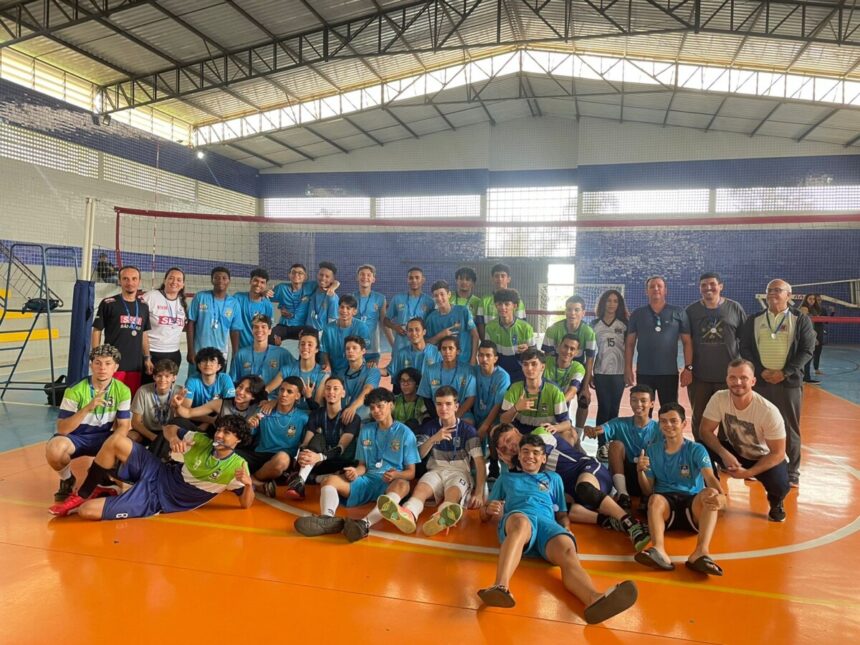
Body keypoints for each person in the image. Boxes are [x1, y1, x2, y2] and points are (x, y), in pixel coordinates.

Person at [477, 433, 638, 624]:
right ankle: (500, 587)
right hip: (520, 517)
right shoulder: (506, 479)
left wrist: (567, 529)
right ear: (519, 456)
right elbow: (483, 514)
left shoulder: (554, 479)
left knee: (568, 549)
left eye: (536, 453)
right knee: (521, 525)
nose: (530, 456)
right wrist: (488, 509)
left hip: (547, 524)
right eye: (525, 452)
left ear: (544, 458)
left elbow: (561, 513)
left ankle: (593, 598)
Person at [49, 414, 255, 519]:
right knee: (116, 440)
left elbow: (246, 504)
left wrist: (247, 486)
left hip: (160, 498)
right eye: (219, 430)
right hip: (160, 471)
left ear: (238, 440)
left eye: (227, 433)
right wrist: (173, 438)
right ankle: (85, 491)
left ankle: (110, 492)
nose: (219, 435)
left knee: (86, 512)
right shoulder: (202, 440)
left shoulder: (236, 467)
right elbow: (169, 427)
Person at [493, 424, 649, 552]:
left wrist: (513, 463)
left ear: (516, 431)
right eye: (504, 447)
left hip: (589, 471)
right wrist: (511, 465)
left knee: (584, 488)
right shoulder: (520, 462)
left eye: (508, 439)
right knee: (558, 509)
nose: (509, 447)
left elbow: (537, 463)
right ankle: (608, 520)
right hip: (570, 491)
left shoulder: (539, 435)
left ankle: (631, 523)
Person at [293, 388, 420, 542]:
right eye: (372, 408)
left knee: (403, 485)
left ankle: (363, 524)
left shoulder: (405, 433)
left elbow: (411, 473)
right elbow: (362, 466)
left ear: (391, 405)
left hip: (390, 482)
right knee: (329, 480)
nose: (375, 411)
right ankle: (327, 519)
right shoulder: (366, 430)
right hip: (367, 479)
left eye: (380, 406)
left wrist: (396, 474)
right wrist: (355, 472)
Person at [378, 386, 486, 536]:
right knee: (420, 491)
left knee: (452, 494)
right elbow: (419, 456)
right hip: (435, 470)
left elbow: (480, 464)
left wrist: (479, 493)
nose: (443, 408)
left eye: (448, 404)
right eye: (439, 404)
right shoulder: (430, 427)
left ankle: (442, 516)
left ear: (456, 406)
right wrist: (434, 439)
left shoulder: (468, 430)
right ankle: (408, 514)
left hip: (459, 473)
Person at [634, 403, 726, 576]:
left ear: (684, 424)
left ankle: (701, 552)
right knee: (654, 499)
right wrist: (640, 472)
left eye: (673, 421)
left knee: (711, 494)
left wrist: (722, 497)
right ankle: (659, 550)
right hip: (667, 507)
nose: (668, 425)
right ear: (659, 425)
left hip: (692, 505)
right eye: (663, 421)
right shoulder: (652, 451)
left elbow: (710, 478)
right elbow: (647, 490)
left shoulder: (696, 449)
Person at [739, 279, 815, 487]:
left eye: (778, 290)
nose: (773, 294)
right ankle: (757, 466)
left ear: (789, 296)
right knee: (757, 425)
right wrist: (759, 371)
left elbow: (807, 350)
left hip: (788, 383)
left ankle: (792, 471)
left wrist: (785, 372)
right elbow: (744, 348)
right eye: (769, 290)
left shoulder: (800, 320)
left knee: (790, 427)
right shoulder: (754, 319)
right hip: (761, 381)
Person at [699, 359, 791, 522]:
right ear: (727, 379)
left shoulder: (768, 411)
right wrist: (724, 454)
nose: (737, 382)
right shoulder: (719, 398)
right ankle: (714, 491)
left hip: (763, 457)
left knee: (780, 483)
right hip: (735, 451)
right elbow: (705, 431)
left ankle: (776, 503)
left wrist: (747, 473)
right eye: (732, 378)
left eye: (743, 378)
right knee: (699, 448)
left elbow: (778, 453)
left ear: (753, 381)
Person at [45, 344, 132, 502]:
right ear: (91, 365)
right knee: (54, 449)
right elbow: (62, 429)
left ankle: (102, 474)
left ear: (115, 367)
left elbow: (124, 425)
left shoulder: (123, 391)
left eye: (107, 363)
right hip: (76, 438)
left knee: (128, 442)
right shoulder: (75, 390)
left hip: (103, 438)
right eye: (97, 363)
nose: (102, 368)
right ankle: (67, 479)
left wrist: (114, 443)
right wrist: (88, 407)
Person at [685, 272, 747, 442]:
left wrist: (744, 371)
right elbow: (686, 342)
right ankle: (701, 455)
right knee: (700, 417)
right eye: (703, 285)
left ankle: (723, 454)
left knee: (728, 418)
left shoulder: (734, 308)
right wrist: (688, 368)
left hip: (728, 377)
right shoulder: (691, 311)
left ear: (721, 286)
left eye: (712, 284)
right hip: (700, 376)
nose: (708, 288)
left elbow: (745, 341)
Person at [282, 375, 359, 500]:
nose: (331, 392)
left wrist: (320, 456)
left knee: (346, 475)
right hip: (318, 462)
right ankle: (300, 483)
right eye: (328, 388)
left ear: (343, 393)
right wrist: (302, 455)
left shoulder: (352, 418)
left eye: (335, 389)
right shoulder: (316, 414)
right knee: (318, 438)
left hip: (341, 463)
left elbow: (341, 448)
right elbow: (306, 442)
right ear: (324, 392)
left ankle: (309, 478)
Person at [584, 385, 660, 510]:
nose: (638, 404)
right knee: (615, 445)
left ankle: (648, 495)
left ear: (652, 404)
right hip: (625, 476)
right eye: (634, 400)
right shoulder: (619, 422)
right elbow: (602, 429)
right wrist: (591, 430)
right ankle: (623, 494)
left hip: (648, 477)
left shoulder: (659, 429)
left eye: (643, 400)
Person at [625, 275, 692, 408]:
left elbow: (687, 343)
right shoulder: (638, 314)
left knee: (669, 410)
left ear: (665, 290)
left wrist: (688, 368)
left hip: (669, 373)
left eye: (659, 286)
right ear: (646, 291)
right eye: (652, 286)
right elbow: (629, 344)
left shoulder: (678, 312)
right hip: (644, 373)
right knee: (643, 412)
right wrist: (627, 368)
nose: (656, 289)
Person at [238, 377, 308, 494]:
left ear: (297, 396)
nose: (284, 394)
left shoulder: (303, 417)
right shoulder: (264, 410)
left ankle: (252, 480)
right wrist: (249, 425)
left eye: (289, 392)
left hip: (283, 462)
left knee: (282, 458)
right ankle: (260, 485)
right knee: (227, 454)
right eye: (281, 390)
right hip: (260, 455)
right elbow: (246, 436)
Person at [92, 265, 150, 396]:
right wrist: (96, 356)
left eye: (134, 279)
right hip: (113, 363)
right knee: (111, 399)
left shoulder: (143, 306)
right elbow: (97, 330)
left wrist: (147, 357)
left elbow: (144, 334)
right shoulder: (108, 303)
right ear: (120, 281)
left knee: (130, 399)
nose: (130, 283)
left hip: (135, 364)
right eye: (126, 279)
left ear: (139, 281)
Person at [541, 296, 597, 429]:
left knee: (584, 400)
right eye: (569, 309)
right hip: (556, 366)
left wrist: (585, 388)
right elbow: (547, 357)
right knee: (553, 399)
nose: (572, 313)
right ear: (565, 311)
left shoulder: (589, 332)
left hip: (577, 368)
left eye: (577, 310)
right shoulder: (553, 329)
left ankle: (577, 434)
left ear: (583, 313)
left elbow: (589, 360)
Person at [591, 289, 628, 462]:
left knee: (614, 409)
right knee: (603, 407)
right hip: (601, 372)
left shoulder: (624, 324)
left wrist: (628, 371)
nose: (612, 304)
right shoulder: (594, 324)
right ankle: (601, 445)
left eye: (615, 301)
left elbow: (629, 349)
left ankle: (611, 443)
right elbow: (590, 352)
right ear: (603, 303)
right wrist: (590, 373)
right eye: (609, 300)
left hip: (619, 373)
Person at [498, 348, 570, 435]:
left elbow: (566, 423)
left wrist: (555, 427)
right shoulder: (514, 388)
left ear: (542, 367)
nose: (529, 368)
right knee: (495, 431)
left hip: (545, 433)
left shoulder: (555, 391)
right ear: (522, 367)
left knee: (569, 435)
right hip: (519, 433)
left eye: (534, 364)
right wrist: (516, 408)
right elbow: (503, 420)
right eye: (525, 364)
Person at [141, 267, 187, 384]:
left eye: (178, 280)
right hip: (152, 353)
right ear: (165, 280)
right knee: (147, 388)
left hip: (173, 354)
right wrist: (147, 356)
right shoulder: (150, 297)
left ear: (182, 284)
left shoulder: (182, 302)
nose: (174, 282)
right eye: (171, 278)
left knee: (167, 390)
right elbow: (140, 327)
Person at [186, 266, 236, 372]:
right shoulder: (200, 297)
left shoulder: (234, 303)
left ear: (229, 281)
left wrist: (235, 354)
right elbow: (191, 323)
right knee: (194, 385)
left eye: (224, 278)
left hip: (221, 355)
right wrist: (190, 350)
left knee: (217, 386)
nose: (220, 280)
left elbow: (235, 330)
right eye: (216, 277)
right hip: (199, 353)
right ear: (212, 280)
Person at [417, 336, 476, 422]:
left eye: (451, 348)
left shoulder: (467, 370)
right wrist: (438, 418)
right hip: (437, 414)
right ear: (440, 351)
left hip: (462, 414)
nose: (447, 352)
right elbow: (426, 397)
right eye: (444, 349)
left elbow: (471, 398)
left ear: (458, 351)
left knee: (468, 426)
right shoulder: (430, 370)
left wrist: (454, 418)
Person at [265, 327, 327, 409]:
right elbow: (267, 390)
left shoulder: (322, 373)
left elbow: (318, 408)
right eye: (302, 344)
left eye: (310, 344)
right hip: (287, 414)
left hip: (309, 417)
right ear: (298, 347)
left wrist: (308, 397)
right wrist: (272, 401)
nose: (305, 347)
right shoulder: (287, 369)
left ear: (317, 349)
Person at [483, 288, 535, 383]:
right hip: (498, 372)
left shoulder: (526, 328)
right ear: (496, 305)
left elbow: (534, 355)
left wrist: (528, 350)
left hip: (520, 372)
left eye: (507, 304)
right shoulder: (490, 327)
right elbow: (489, 352)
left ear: (515, 306)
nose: (503, 307)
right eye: (499, 304)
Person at [230, 314, 295, 387]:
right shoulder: (241, 354)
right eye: (256, 327)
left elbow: (298, 369)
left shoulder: (282, 354)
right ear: (252, 331)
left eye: (263, 327)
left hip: (271, 397)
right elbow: (233, 382)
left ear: (270, 331)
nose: (259, 330)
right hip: (247, 397)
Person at [425, 280, 479, 366]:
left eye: (442, 294)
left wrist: (473, 358)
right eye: (436, 295)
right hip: (443, 364)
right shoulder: (431, 318)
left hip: (465, 361)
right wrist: (440, 335)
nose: (439, 298)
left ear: (449, 295)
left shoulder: (463, 311)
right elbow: (426, 343)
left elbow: (475, 335)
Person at [385, 267, 435, 356]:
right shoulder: (398, 298)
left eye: (417, 277)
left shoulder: (429, 302)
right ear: (407, 280)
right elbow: (386, 320)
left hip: (420, 348)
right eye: (411, 278)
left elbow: (431, 324)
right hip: (400, 346)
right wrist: (395, 327)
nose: (414, 280)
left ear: (423, 280)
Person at [129, 358, 179, 447]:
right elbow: (135, 422)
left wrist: (178, 407)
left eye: (167, 376)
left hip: (169, 431)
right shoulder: (143, 391)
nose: (162, 379)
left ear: (174, 378)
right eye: (159, 376)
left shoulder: (179, 391)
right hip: (147, 431)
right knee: (131, 436)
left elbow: (183, 420)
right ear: (154, 377)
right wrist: (153, 437)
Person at [544, 335, 587, 435]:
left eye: (572, 349)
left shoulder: (578, 368)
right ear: (559, 347)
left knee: (571, 437)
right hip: (541, 412)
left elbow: (571, 393)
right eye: (565, 346)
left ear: (576, 353)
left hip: (560, 415)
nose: (568, 351)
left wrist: (553, 407)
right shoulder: (545, 361)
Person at [385, 317, 442, 389]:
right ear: (407, 333)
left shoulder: (437, 352)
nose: (414, 333)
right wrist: (373, 368)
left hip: (430, 394)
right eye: (410, 330)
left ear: (424, 332)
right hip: (409, 395)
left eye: (417, 330)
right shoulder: (401, 353)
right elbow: (388, 371)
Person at [336, 335, 381, 425]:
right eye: (347, 348)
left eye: (354, 348)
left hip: (365, 421)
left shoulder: (372, 371)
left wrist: (353, 407)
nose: (350, 351)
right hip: (343, 419)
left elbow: (368, 390)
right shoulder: (340, 373)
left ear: (363, 351)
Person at [181, 347, 236, 421]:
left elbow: (230, 408)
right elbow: (185, 410)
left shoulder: (225, 379)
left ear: (219, 366)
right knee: (178, 422)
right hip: (197, 418)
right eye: (204, 360)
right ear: (199, 365)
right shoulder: (192, 381)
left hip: (219, 419)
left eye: (212, 361)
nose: (208, 364)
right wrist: (209, 420)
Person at [320, 295, 371, 373]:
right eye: (342, 307)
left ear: (354, 311)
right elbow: (324, 351)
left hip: (355, 370)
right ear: (338, 308)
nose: (344, 311)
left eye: (348, 308)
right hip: (334, 370)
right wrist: (327, 365)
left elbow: (364, 351)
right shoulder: (328, 329)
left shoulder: (362, 327)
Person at [230, 268, 276, 352]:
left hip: (260, 350)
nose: (258, 284)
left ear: (265, 285)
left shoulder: (268, 305)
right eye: (256, 280)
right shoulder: (238, 298)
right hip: (241, 350)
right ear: (250, 281)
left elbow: (268, 328)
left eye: (262, 282)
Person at [353, 264, 391, 366]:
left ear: (373, 279)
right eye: (362, 274)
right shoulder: (351, 298)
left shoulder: (380, 298)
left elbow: (384, 323)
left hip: (373, 349)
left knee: (370, 377)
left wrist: (393, 345)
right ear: (357, 277)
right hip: (354, 347)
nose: (365, 277)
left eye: (368, 275)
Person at [476, 263, 526, 338]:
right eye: (496, 276)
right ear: (492, 279)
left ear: (508, 279)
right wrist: (485, 341)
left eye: (503, 276)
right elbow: (480, 324)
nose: (499, 279)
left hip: (511, 342)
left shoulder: (516, 300)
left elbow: (521, 323)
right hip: (491, 342)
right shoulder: (484, 300)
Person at [271, 263, 316, 342]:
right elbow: (265, 297)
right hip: (284, 325)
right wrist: (265, 292)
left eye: (300, 273)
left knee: (310, 340)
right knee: (271, 337)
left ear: (305, 277)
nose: (296, 274)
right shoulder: (282, 288)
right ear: (289, 275)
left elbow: (326, 282)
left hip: (301, 326)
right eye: (293, 272)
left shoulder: (310, 286)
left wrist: (334, 286)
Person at [305, 261, 340, 331]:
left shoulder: (333, 298)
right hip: (307, 333)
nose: (323, 278)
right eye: (321, 275)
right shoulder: (311, 289)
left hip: (322, 335)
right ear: (317, 275)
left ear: (332, 280)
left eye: (327, 276)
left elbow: (333, 322)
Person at [798, 294, 823, 384]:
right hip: (805, 335)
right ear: (806, 299)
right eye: (810, 299)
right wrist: (812, 336)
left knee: (808, 356)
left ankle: (805, 377)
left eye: (814, 299)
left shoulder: (814, 309)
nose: (812, 300)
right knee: (807, 356)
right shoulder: (804, 308)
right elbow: (804, 323)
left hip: (810, 334)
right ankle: (805, 377)